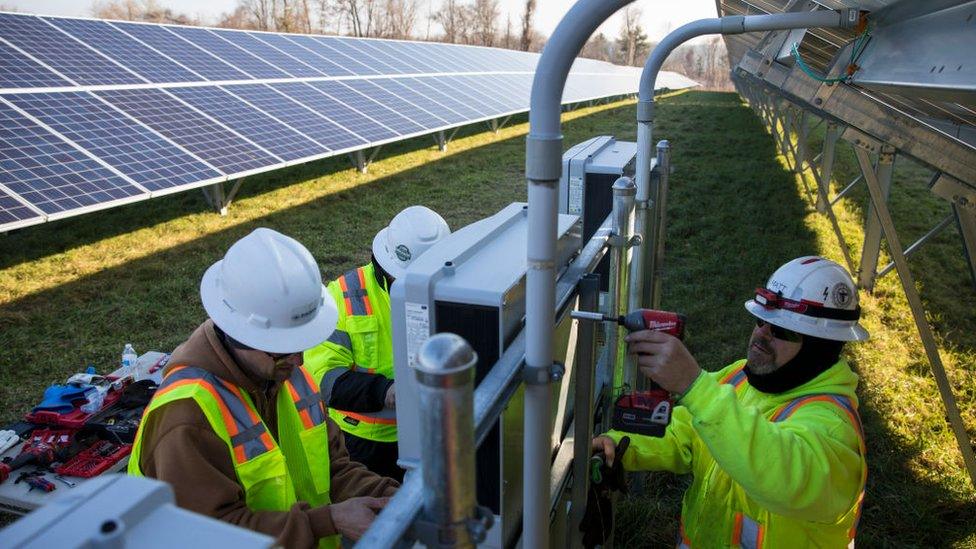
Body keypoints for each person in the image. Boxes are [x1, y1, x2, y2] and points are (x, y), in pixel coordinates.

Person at [130, 228, 399, 548]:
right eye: (282, 347)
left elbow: (335, 469)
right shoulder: (186, 417)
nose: (299, 361)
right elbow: (212, 535)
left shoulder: (285, 374)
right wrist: (327, 521)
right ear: (239, 335)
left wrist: (397, 499)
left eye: (303, 344)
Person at [593, 256, 869, 547]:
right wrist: (619, 445)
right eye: (761, 321)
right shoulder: (741, 377)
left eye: (781, 330)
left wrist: (693, 385)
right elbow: (686, 431)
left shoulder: (834, 427)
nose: (762, 334)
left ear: (820, 348)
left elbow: (776, 471)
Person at [304, 206, 450, 481]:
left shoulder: (450, 289)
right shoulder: (342, 298)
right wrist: (385, 391)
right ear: (385, 266)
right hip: (363, 442)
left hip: (432, 430)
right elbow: (323, 380)